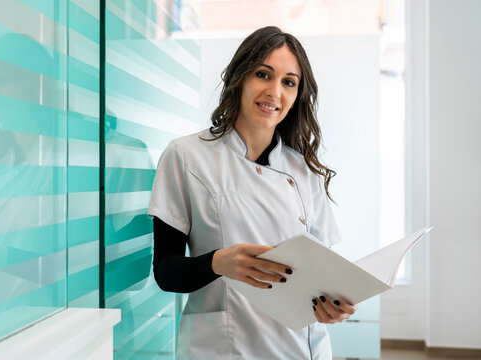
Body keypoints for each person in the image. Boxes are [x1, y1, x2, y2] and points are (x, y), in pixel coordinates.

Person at [148, 26, 357, 359]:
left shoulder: (306, 173)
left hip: (301, 348)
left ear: (297, 95)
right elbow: (165, 272)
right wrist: (217, 263)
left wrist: (335, 305)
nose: (275, 91)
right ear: (240, 78)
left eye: (289, 82)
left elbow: (320, 277)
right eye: (264, 74)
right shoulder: (186, 156)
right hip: (225, 347)